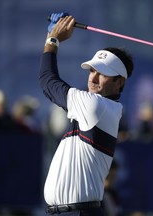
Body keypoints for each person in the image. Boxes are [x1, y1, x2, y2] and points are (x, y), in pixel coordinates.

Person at [39, 13, 133, 215]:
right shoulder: (94, 107)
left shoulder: (97, 106)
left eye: (103, 73)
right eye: (92, 71)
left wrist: (52, 40)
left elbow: (48, 81)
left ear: (120, 82)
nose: (93, 78)